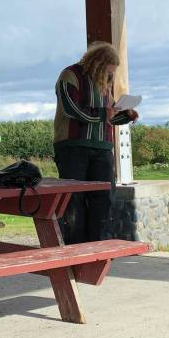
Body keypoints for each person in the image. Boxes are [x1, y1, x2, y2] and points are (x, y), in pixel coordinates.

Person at [53, 42, 139, 244]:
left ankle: (98, 247)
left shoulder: (105, 83)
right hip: (73, 147)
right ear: (97, 63)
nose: (111, 75)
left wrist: (125, 115)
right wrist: (104, 113)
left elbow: (107, 118)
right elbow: (71, 109)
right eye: (108, 70)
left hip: (102, 148)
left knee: (104, 199)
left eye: (113, 72)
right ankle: (75, 250)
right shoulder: (70, 75)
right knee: (74, 201)